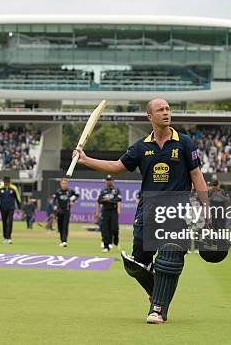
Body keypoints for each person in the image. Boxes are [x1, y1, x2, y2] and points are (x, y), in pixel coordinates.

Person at [73, 98, 208, 324]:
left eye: (168, 109)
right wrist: (86, 160)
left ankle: (158, 309)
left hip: (177, 212)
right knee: (137, 264)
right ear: (149, 116)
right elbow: (117, 166)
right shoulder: (140, 146)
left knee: (169, 259)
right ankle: (157, 291)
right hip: (147, 211)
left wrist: (206, 208)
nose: (166, 113)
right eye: (160, 110)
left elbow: (197, 176)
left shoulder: (184, 143)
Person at [96, 174, 122, 252]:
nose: (109, 182)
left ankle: (116, 239)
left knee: (114, 229)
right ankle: (106, 246)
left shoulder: (116, 190)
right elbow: (99, 201)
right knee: (105, 229)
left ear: (113, 181)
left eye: (110, 180)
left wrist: (110, 200)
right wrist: (97, 212)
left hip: (113, 211)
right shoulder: (103, 191)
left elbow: (118, 200)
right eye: (107, 180)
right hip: (105, 211)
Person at [0, 176, 22, 244]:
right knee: (4, 222)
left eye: (7, 182)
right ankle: (5, 237)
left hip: (11, 208)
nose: (6, 183)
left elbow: (18, 198)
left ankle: (9, 237)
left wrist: (19, 208)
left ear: (9, 182)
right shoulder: (0, 189)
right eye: (5, 182)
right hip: (3, 208)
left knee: (10, 222)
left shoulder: (14, 188)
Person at [52, 178, 78, 247]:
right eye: (63, 183)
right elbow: (54, 200)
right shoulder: (58, 192)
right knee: (60, 226)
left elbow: (77, 195)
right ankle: (61, 240)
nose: (64, 185)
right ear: (60, 184)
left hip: (66, 211)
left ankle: (64, 241)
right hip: (59, 211)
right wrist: (55, 205)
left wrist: (73, 201)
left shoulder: (70, 191)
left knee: (65, 226)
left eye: (65, 183)